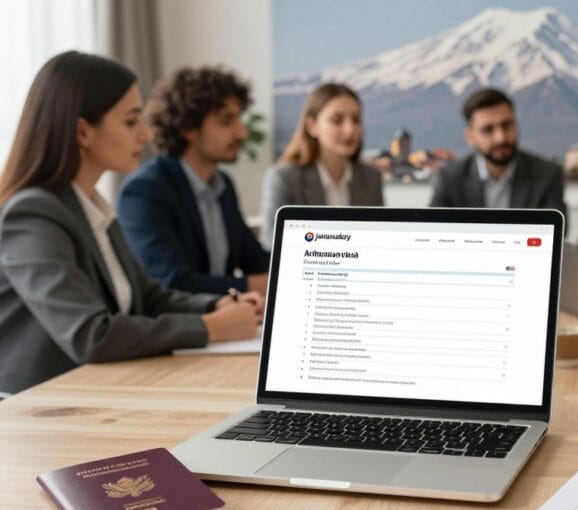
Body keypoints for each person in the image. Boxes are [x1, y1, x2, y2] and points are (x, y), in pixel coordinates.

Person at [0, 52, 261, 394]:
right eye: (130, 121)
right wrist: (210, 326)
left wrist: (216, 305)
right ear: (82, 131)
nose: (146, 135)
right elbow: (91, 335)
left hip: (101, 388)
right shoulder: (32, 214)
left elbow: (148, 296)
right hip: (38, 407)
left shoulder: (92, 206)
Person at [117, 66, 270, 296]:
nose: (241, 133)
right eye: (226, 121)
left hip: (229, 321)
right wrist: (263, 285)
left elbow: (254, 258)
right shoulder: (145, 191)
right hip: (183, 327)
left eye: (239, 119)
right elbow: (173, 282)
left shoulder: (223, 184)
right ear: (188, 127)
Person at [260, 82, 383, 249]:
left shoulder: (371, 178)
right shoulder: (284, 177)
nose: (350, 129)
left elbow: (379, 240)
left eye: (356, 120)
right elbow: (271, 245)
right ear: (312, 126)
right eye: (337, 120)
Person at [429, 88, 566, 216]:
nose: (501, 137)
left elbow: (558, 233)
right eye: (488, 129)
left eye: (507, 125)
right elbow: (433, 229)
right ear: (470, 137)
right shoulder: (450, 178)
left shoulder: (548, 175)